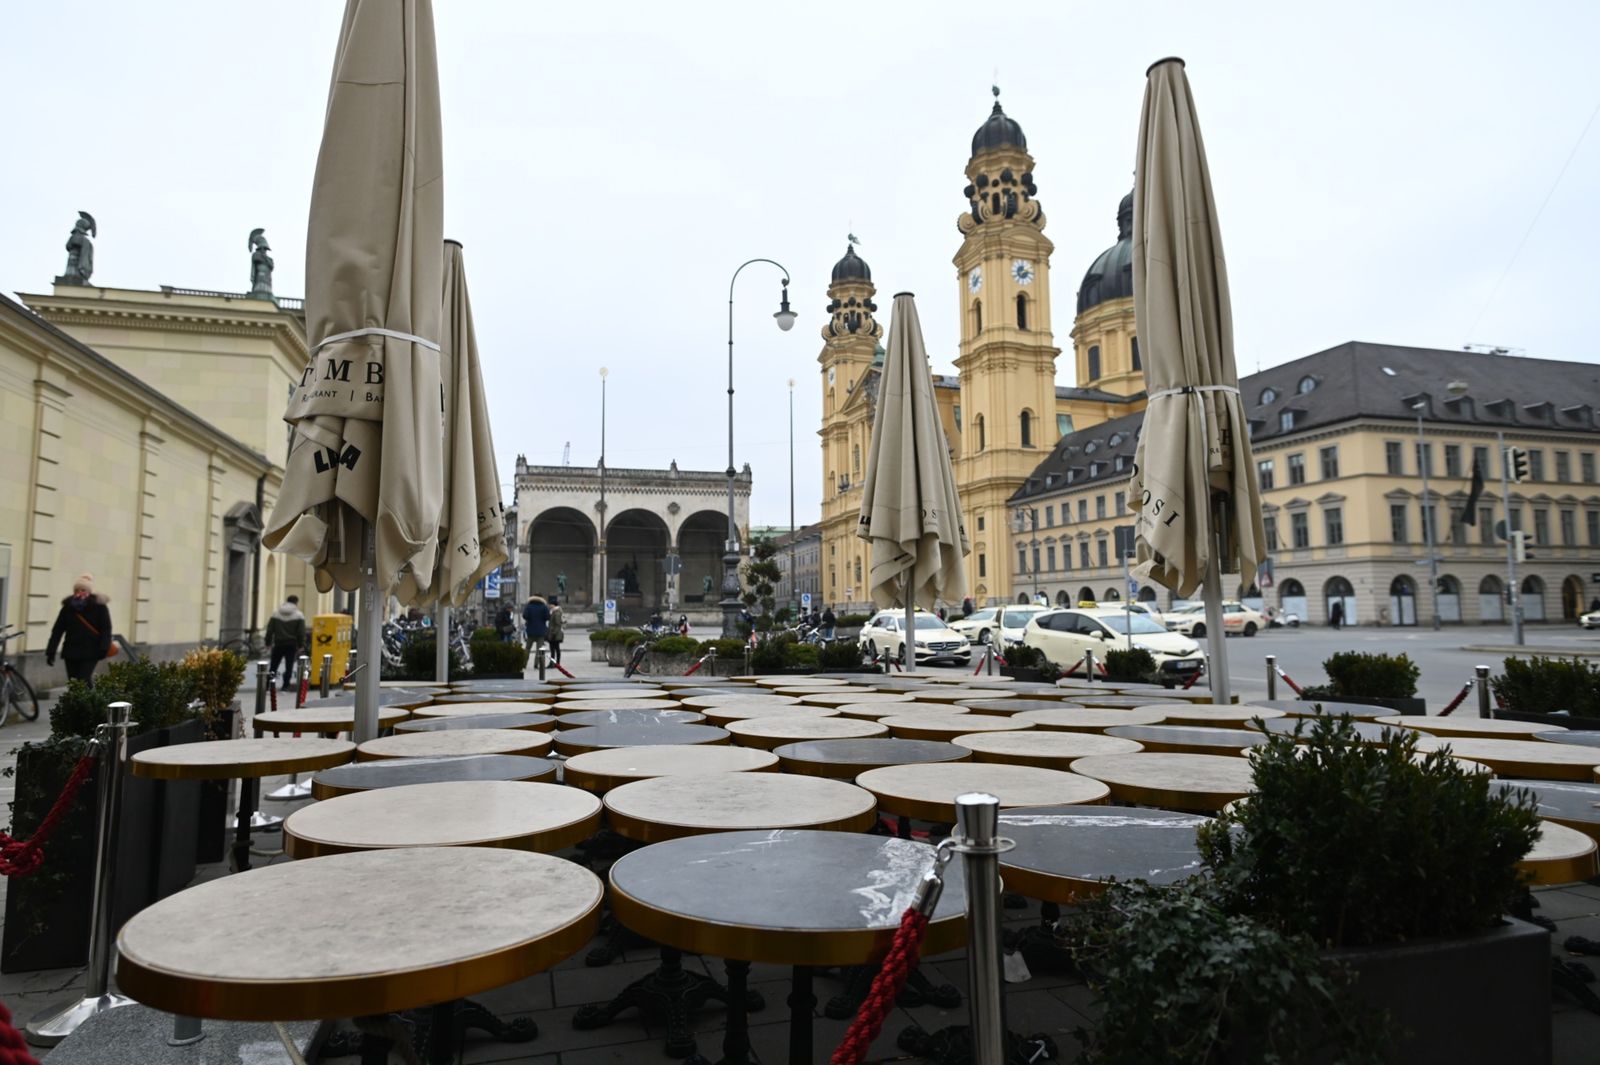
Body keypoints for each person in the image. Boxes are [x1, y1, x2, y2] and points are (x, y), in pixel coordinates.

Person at [46, 573, 113, 684]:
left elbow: (106, 628)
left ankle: (91, 701)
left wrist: (104, 647)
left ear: (89, 591)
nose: (79, 592)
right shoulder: (68, 607)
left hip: (91, 650)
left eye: (83, 589)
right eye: (77, 590)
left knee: (84, 680)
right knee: (73, 682)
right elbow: (58, 629)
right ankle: (77, 702)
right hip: (71, 650)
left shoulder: (99, 606)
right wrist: (51, 651)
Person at [263, 595, 308, 688]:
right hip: (291, 644)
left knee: (274, 665)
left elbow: (270, 630)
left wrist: (268, 642)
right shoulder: (299, 615)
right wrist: (301, 645)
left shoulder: (276, 613)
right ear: (296, 602)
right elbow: (301, 632)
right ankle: (285, 686)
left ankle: (268, 685)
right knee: (289, 666)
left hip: (278, 643)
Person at [547, 596, 565, 665]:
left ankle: (556, 663)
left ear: (553, 605)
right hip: (554, 633)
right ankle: (554, 663)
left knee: (555, 649)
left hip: (555, 634)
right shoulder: (553, 611)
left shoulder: (556, 612)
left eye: (550, 604)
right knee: (553, 649)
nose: (549, 605)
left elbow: (558, 624)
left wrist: (553, 633)